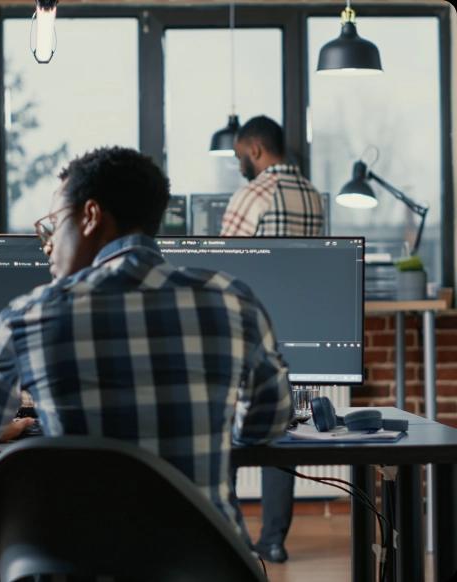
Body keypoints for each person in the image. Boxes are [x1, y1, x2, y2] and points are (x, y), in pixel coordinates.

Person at [0, 145, 292, 540]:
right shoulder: (234, 301)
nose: (47, 244)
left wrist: (1, 424)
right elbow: (268, 423)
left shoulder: (30, 315)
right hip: (208, 561)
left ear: (91, 216)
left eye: (54, 225)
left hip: (80, 562)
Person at [221, 115, 324, 563]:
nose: (241, 163)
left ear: (256, 150)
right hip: (300, 325)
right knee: (284, 427)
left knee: (230, 425)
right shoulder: (313, 196)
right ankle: (275, 539)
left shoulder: (252, 194)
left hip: (252, 330)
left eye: (242, 155)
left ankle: (232, 537)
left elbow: (224, 265)